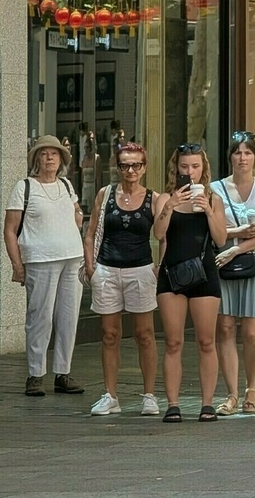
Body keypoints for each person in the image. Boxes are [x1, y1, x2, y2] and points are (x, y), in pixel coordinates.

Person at [3, 135, 85, 397]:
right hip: (40, 259)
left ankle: (63, 373)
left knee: (68, 318)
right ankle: (35, 374)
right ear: (36, 158)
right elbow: (10, 229)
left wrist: (77, 217)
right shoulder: (24, 187)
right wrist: (17, 265)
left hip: (72, 257)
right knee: (40, 317)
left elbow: (76, 214)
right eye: (44, 153)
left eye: (54, 153)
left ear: (61, 159)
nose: (49, 157)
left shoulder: (66, 185)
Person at [85, 143, 163, 417]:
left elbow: (164, 235)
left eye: (136, 165)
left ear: (144, 167)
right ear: (117, 167)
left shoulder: (154, 198)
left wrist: (158, 267)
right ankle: (110, 395)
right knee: (109, 334)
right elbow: (92, 231)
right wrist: (90, 267)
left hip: (140, 269)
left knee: (145, 334)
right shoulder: (105, 194)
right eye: (125, 165)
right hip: (107, 268)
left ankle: (150, 395)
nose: (130, 170)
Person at [153, 143, 227, 422]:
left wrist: (207, 210)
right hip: (172, 272)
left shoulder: (213, 198)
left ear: (203, 168)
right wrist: (170, 207)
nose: (190, 172)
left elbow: (220, 240)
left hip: (204, 273)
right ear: (176, 168)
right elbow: (159, 234)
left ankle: (207, 403)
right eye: (184, 166)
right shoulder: (164, 198)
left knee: (207, 340)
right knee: (173, 341)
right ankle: (173, 403)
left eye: (195, 166)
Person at [211, 131, 255, 416]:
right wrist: (233, 235)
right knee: (224, 327)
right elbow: (212, 231)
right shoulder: (215, 189)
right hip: (221, 263)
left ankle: (251, 388)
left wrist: (234, 248)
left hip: (251, 261)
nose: (242, 157)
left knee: (251, 330)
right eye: (237, 152)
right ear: (230, 157)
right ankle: (231, 393)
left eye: (248, 152)